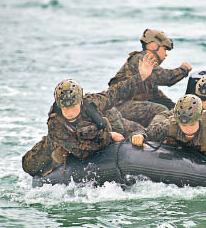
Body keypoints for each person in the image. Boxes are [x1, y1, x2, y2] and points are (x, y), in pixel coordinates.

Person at [22, 53, 156, 177]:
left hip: (101, 127)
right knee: (30, 165)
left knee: (143, 131)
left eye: (73, 106)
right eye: (65, 108)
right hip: (66, 141)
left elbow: (116, 93)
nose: (69, 112)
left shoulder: (91, 102)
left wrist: (141, 77)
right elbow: (82, 151)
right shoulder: (55, 123)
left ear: (80, 101)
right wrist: (109, 137)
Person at [108, 29, 193, 127]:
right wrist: (184, 69)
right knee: (160, 110)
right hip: (118, 107)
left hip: (129, 107)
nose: (166, 54)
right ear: (154, 46)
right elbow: (166, 78)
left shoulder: (150, 72)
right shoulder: (140, 59)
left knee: (168, 110)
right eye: (164, 49)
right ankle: (155, 135)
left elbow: (157, 97)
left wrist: (177, 109)